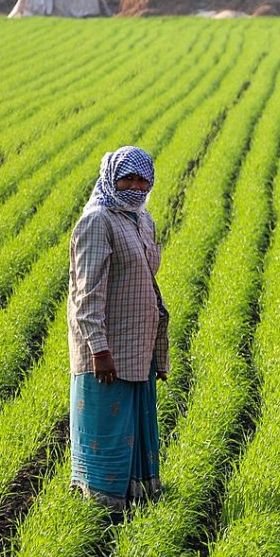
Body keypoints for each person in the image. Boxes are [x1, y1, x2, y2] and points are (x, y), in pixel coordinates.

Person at [67, 145, 169, 512]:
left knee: (132, 425)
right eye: (128, 178)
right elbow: (86, 293)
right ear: (111, 178)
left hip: (136, 343)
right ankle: (99, 509)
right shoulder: (98, 221)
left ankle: (135, 500)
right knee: (107, 431)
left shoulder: (142, 220)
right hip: (107, 348)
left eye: (144, 180)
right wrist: (99, 349)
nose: (136, 186)